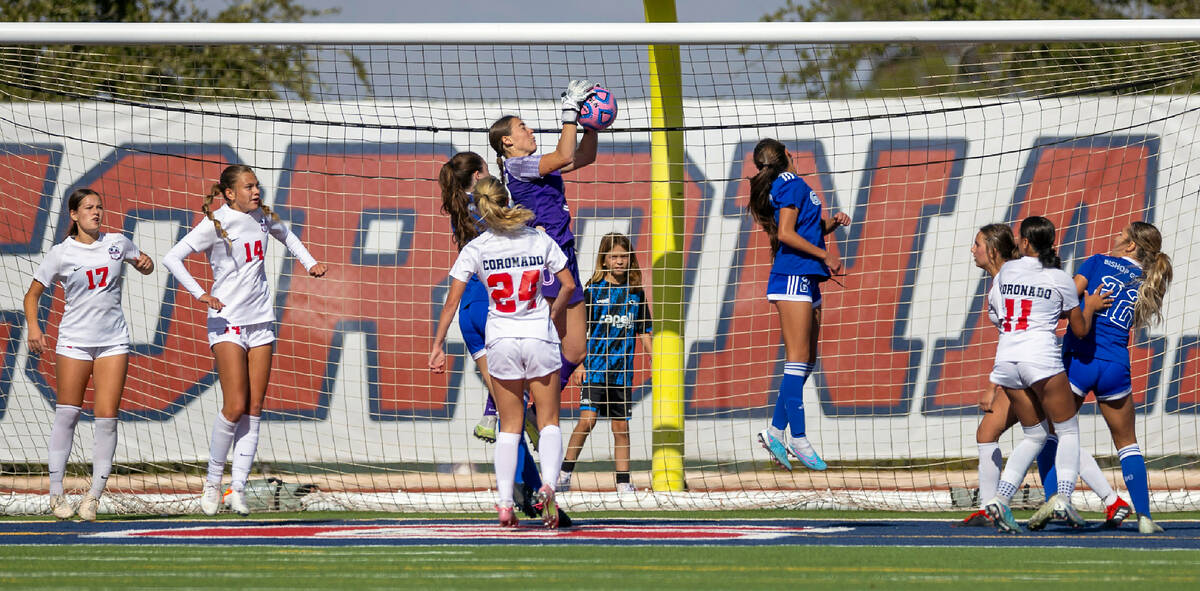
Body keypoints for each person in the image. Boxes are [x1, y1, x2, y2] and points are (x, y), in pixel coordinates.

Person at [162, 164, 327, 517]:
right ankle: (211, 482)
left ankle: (236, 489)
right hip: (227, 322)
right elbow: (172, 258)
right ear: (230, 193)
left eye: (257, 186)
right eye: (249, 187)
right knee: (235, 405)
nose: (256, 191)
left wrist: (310, 263)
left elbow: (289, 237)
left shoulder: (263, 217)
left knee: (254, 408)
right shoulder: (215, 223)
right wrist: (200, 293)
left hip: (261, 323)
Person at [429, 175, 575, 528]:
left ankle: (506, 503)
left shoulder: (477, 248)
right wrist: (552, 314)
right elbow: (568, 284)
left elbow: (451, 302)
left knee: (509, 427)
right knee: (549, 422)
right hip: (538, 336)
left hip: (501, 341)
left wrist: (436, 345)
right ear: (505, 199)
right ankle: (549, 487)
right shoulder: (537, 238)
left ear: (478, 207)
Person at [960, 225, 1127, 528]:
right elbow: (1064, 314)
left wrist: (993, 383)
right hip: (1032, 364)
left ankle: (1105, 499)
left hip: (1014, 365)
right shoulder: (1029, 274)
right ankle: (993, 505)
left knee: (1043, 434)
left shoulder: (1006, 277)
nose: (973, 250)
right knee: (1046, 433)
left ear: (996, 250)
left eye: (977, 244)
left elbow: (1013, 323)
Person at [24, 188, 154, 521]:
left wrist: (145, 263)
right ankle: (56, 494)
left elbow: (144, 264)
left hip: (113, 341)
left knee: (107, 417)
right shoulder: (61, 253)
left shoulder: (117, 243)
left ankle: (93, 497)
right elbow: (32, 295)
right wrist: (35, 329)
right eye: (88, 208)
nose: (96, 212)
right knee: (68, 413)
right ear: (73, 215)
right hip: (74, 342)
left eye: (99, 206)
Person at [487, 79, 598, 396]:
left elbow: (583, 157)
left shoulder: (536, 165)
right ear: (507, 141)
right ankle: (506, 404)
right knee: (539, 341)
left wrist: (592, 125)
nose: (530, 131)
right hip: (546, 262)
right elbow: (564, 156)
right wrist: (570, 111)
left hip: (566, 255)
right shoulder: (518, 165)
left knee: (576, 350)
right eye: (523, 128)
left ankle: (531, 408)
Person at [1061, 221, 1172, 534]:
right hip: (1115, 365)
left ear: (1131, 245)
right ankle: (1145, 517)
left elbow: (1066, 297)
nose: (1115, 236)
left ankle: (1062, 501)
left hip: (1081, 358)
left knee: (1054, 432)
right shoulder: (1148, 279)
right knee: (1128, 446)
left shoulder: (1097, 261)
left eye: (1121, 234)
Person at [745, 138, 849, 471]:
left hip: (806, 277)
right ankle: (798, 438)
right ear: (789, 156)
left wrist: (829, 225)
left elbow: (803, 227)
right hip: (792, 277)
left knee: (807, 361)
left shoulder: (792, 185)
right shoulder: (789, 182)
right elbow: (786, 234)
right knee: (797, 359)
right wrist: (825, 254)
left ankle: (775, 431)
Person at [559, 233, 653, 494]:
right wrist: (579, 365)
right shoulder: (593, 291)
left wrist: (654, 358)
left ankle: (623, 482)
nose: (620, 261)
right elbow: (579, 331)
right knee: (587, 421)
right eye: (614, 256)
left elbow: (644, 331)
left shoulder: (635, 293)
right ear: (604, 260)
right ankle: (564, 474)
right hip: (595, 368)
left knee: (621, 426)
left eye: (624, 256)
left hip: (622, 373)